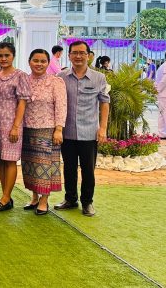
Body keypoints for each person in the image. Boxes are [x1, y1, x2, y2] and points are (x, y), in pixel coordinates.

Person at [56, 41, 110, 217]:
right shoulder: (61, 77)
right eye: (74, 53)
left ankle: (87, 202)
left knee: (88, 170)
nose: (78, 56)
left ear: (88, 55)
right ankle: (70, 199)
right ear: (69, 55)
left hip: (89, 133)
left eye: (82, 53)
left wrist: (103, 128)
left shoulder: (99, 78)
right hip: (67, 132)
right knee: (69, 168)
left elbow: (105, 103)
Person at [22, 49, 67, 216]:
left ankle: (44, 200)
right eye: (35, 60)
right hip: (27, 128)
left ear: (48, 63)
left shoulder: (56, 82)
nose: (39, 64)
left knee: (45, 166)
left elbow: (61, 106)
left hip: (47, 129)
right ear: (29, 61)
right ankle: (34, 197)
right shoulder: (24, 80)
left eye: (43, 61)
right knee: (30, 165)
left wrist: (59, 129)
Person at [0, 42, 31, 212]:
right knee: (1, 160)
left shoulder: (20, 76)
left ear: (13, 56)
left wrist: (15, 126)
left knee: (10, 160)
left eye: (7, 55)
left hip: (12, 124)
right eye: (0, 55)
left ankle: (6, 198)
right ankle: (5, 196)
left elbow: (22, 103)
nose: (3, 58)